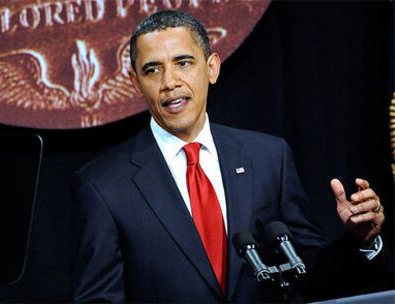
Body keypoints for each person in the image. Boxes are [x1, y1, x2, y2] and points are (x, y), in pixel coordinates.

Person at [71, 10, 388, 303]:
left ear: (211, 68)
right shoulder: (104, 186)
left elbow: (309, 274)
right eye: (152, 70)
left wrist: (360, 240)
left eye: (183, 63)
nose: (169, 82)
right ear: (136, 83)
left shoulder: (268, 158)